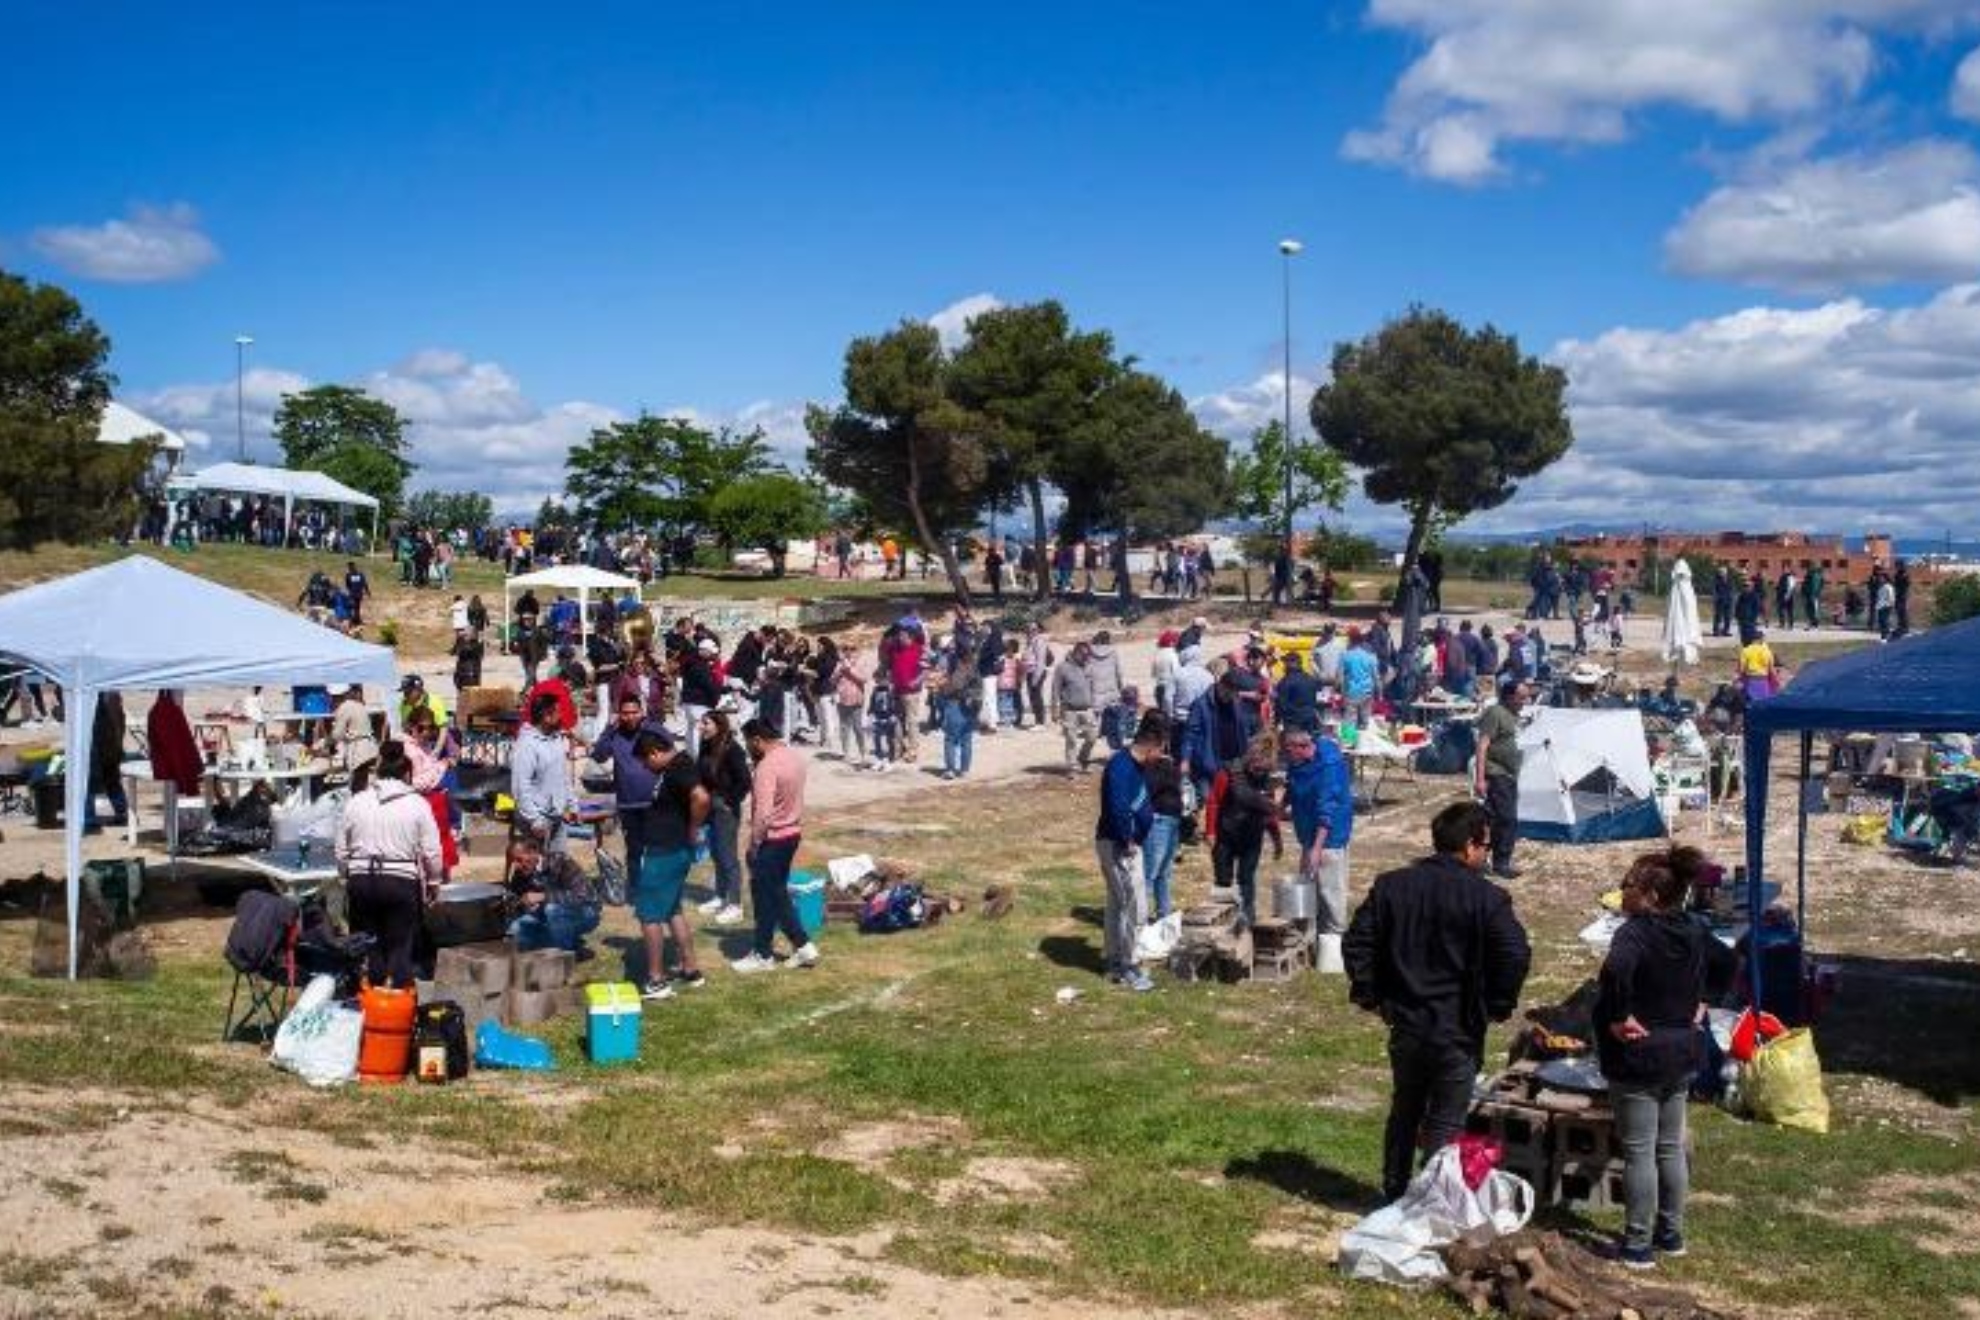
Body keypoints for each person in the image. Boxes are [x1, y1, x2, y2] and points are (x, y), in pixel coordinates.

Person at [1344, 801, 1532, 1201]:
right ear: (1469, 846)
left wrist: (1371, 995)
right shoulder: (1486, 898)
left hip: (1407, 1020)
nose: (1486, 854)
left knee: (1406, 1108)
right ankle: (1429, 1202)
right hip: (1457, 1026)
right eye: (1485, 846)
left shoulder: (1393, 885)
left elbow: (1356, 941)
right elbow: (1515, 952)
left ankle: (1395, 1191)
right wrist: (1498, 1004)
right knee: (1446, 1118)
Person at [1593, 845, 1735, 1269]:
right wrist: (1706, 1000)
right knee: (1670, 1146)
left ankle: (1637, 1245)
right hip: (1682, 1050)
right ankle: (1670, 1235)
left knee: (1639, 1151)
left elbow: (1616, 970)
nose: (1624, 892)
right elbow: (1728, 960)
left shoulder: (1634, 933)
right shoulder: (1692, 928)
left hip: (1639, 1053)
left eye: (1630, 886)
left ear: (1652, 895)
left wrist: (1618, 1017)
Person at [336, 741, 444, 987]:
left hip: (361, 878)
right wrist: (434, 882)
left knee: (368, 948)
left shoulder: (357, 801)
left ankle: (370, 1009)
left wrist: (345, 877)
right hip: (400, 881)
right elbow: (432, 852)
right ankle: (397, 1014)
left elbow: (342, 848)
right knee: (400, 949)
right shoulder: (417, 804)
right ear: (407, 774)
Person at [732, 719, 820, 973]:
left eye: (748, 743)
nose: (747, 748)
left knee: (767, 896)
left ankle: (765, 953)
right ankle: (800, 947)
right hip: (792, 834)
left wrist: (754, 844)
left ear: (757, 740)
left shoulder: (766, 767)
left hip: (773, 838)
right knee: (775, 893)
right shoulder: (794, 757)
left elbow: (762, 814)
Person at [630, 729, 708, 998]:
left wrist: (693, 829)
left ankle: (656, 979)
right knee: (673, 910)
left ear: (655, 753)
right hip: (669, 850)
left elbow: (701, 797)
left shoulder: (678, 768)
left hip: (666, 851)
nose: (644, 767)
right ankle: (690, 968)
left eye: (645, 761)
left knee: (649, 915)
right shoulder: (677, 766)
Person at [1095, 716, 1163, 992]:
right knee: (1135, 907)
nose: (1161, 756)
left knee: (1116, 902)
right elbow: (1117, 808)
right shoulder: (1120, 768)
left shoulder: (1135, 766)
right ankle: (1128, 965)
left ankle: (1113, 959)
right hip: (1119, 844)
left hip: (1124, 842)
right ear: (1150, 746)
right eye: (1160, 750)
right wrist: (1128, 839)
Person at [1283, 721, 1354, 949]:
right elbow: (1292, 784)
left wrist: (1316, 849)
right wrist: (1281, 804)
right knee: (1306, 887)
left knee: (1330, 891)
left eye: (1289, 749)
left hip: (1329, 838)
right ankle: (1308, 940)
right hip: (1307, 833)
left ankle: (1334, 944)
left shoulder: (1328, 766)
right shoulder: (1298, 761)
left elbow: (1327, 811)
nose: (1286, 754)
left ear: (1303, 746)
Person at [591, 693, 664, 884]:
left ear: (641, 711)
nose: (630, 716)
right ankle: (635, 888)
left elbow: (671, 754)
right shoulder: (614, 734)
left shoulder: (653, 730)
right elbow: (599, 756)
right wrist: (608, 728)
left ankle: (655, 888)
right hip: (627, 804)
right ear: (619, 714)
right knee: (634, 849)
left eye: (634, 712)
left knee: (656, 848)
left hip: (653, 802)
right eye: (625, 713)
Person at [1212, 740, 1278, 926]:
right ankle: (1223, 922)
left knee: (1246, 879)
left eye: (1264, 770)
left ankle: (1248, 920)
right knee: (1223, 880)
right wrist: (1210, 832)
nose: (1260, 773)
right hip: (1226, 834)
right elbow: (1213, 801)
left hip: (1251, 836)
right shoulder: (1229, 772)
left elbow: (1269, 812)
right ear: (1251, 760)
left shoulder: (1266, 777)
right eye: (1258, 768)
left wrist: (1276, 838)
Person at [696, 708, 752, 925]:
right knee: (716, 854)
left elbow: (745, 781)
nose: (701, 727)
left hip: (725, 808)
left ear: (719, 726)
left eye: (706, 723)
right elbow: (700, 774)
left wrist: (729, 801)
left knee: (728, 856)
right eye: (701, 723)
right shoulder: (706, 745)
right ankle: (720, 896)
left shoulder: (732, 749)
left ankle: (735, 904)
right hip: (709, 805)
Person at [506, 833, 602, 954]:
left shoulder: (561, 861)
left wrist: (543, 897)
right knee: (515, 930)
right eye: (514, 861)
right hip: (545, 917)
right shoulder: (521, 872)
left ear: (534, 852)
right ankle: (567, 941)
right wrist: (523, 904)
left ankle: (565, 955)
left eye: (519, 859)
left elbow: (584, 896)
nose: (517, 865)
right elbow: (515, 896)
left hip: (585, 913)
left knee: (552, 909)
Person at [1473, 679, 1528, 881]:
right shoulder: (1495, 713)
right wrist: (1480, 779)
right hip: (1496, 773)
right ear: (1509, 696)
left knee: (1494, 819)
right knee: (1507, 819)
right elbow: (1482, 746)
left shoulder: (1513, 716)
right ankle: (1501, 862)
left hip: (1509, 774)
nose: (1525, 701)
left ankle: (1483, 858)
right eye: (1521, 697)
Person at [511, 692, 572, 852]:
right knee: (535, 870)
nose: (561, 716)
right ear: (546, 716)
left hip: (557, 817)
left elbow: (563, 776)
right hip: (536, 821)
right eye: (558, 712)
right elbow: (520, 786)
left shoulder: (557, 739)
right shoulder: (527, 745)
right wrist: (534, 820)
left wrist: (572, 805)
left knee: (558, 867)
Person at [1139, 713, 1183, 921]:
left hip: (1171, 818)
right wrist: (1166, 767)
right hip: (1158, 819)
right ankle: (1140, 920)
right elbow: (1148, 786)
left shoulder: (1163, 753)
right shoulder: (1149, 754)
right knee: (1150, 873)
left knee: (1165, 873)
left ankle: (1164, 916)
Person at [1053, 641, 1100, 775]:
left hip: (1087, 709)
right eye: (1084, 655)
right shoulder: (1062, 668)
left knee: (1093, 736)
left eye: (1088, 656)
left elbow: (1093, 688)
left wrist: (1095, 705)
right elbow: (1055, 689)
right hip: (1069, 710)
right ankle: (1072, 767)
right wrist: (1054, 709)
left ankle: (1082, 759)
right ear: (1076, 653)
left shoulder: (1089, 667)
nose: (1087, 658)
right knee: (1071, 739)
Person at [328, 683, 380, 774]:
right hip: (370, 747)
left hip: (358, 751)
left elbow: (337, 735)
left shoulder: (343, 707)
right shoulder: (358, 705)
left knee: (358, 783)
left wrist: (325, 743)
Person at [833, 645, 869, 766]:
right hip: (842, 698)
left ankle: (863, 753)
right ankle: (846, 752)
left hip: (856, 698)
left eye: (852, 649)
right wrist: (839, 671)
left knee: (858, 727)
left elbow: (864, 679)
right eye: (845, 649)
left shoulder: (861, 662)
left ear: (857, 650)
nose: (848, 651)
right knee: (844, 727)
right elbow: (832, 680)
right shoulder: (840, 663)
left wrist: (850, 671)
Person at [1275, 652, 1321, 736]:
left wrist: (1276, 721)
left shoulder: (1286, 681)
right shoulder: (1310, 679)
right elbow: (1315, 700)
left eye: (1286, 662)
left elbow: (1281, 704)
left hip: (1293, 722)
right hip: (1309, 720)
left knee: (1293, 746)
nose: (1284, 666)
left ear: (1294, 663)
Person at [1737, 626, 1780, 702]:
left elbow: (1741, 669)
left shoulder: (1745, 651)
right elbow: (1771, 669)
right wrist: (1776, 680)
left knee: (1748, 701)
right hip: (1763, 680)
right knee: (1763, 701)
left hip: (1750, 679)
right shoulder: (1767, 651)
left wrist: (1739, 679)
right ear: (1760, 640)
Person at [343, 560, 369, 627]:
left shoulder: (348, 575)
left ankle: (354, 621)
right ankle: (357, 621)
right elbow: (364, 583)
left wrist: (349, 592)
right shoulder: (360, 574)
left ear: (349, 567)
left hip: (353, 594)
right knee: (357, 608)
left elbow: (347, 585)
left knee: (353, 608)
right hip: (358, 594)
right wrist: (367, 592)